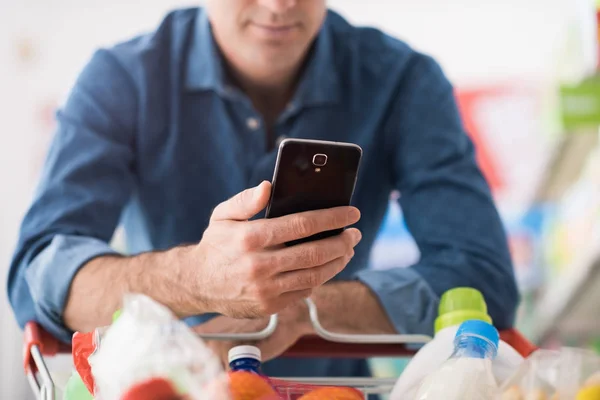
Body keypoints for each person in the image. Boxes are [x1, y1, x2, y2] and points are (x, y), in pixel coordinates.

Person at [7, 0, 519, 380]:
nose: (279, 7)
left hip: (329, 388)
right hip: (171, 386)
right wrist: (197, 279)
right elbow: (40, 271)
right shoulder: (120, 79)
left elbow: (484, 278)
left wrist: (295, 310)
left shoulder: (404, 81)